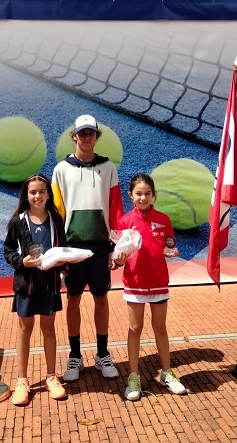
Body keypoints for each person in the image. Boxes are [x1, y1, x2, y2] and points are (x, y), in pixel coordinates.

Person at [52, 114, 124, 382]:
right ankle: (75, 356)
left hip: (101, 248)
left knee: (101, 299)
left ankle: (103, 353)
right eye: (81, 133)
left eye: (90, 132)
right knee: (72, 299)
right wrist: (60, 252)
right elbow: (57, 213)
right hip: (72, 249)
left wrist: (117, 248)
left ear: (97, 136)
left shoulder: (108, 168)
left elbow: (116, 209)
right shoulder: (60, 170)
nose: (86, 137)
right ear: (74, 136)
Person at [113, 173, 187, 401]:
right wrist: (119, 260)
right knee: (135, 328)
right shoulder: (124, 222)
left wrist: (171, 252)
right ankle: (133, 376)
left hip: (157, 282)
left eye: (147, 193)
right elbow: (117, 260)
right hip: (134, 283)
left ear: (153, 194)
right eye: (138, 194)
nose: (143, 198)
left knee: (160, 328)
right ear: (130, 196)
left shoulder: (163, 219)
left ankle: (167, 373)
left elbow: (169, 245)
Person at [4, 174, 68, 405]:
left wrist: (63, 261)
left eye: (42, 191)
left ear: (48, 194)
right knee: (24, 330)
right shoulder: (18, 221)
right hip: (26, 284)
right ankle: (22, 381)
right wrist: (22, 262)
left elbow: (63, 247)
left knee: (48, 329)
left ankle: (52, 376)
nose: (37, 196)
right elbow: (8, 251)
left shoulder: (55, 219)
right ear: (26, 195)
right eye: (33, 192)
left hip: (49, 283)